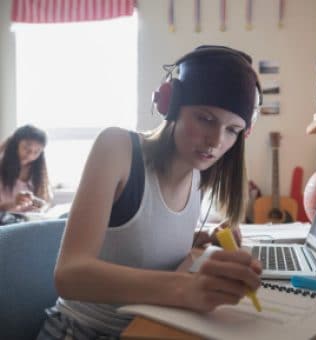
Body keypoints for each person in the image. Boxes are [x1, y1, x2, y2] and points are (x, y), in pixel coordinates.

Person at [37, 45, 263, 339]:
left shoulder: (196, 174)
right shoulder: (117, 148)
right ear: (170, 104)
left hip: (146, 328)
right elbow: (69, 275)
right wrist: (189, 288)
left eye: (233, 130)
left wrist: (202, 242)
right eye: (205, 119)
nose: (216, 141)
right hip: (79, 331)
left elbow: (139, 243)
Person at [0, 124, 51, 212]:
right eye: (26, 148)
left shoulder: (38, 172)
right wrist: (14, 203)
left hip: (28, 222)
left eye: (36, 152)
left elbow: (44, 205)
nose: (30, 155)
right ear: (15, 145)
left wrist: (31, 200)